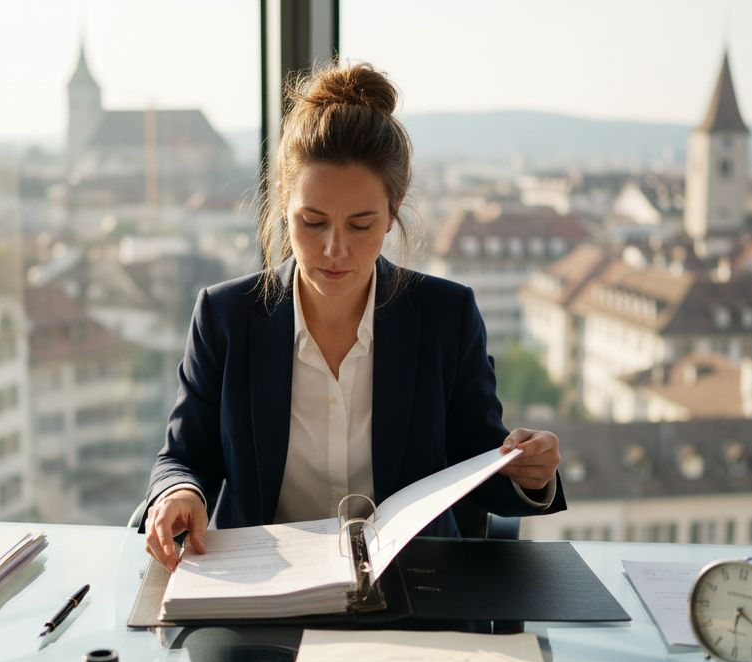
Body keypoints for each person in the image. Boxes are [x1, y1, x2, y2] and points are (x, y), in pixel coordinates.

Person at [141, 62, 565, 572]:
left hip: (412, 585)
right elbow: (183, 457)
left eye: (361, 224)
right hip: (265, 587)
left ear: (393, 213)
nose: (333, 249)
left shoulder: (445, 316)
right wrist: (179, 492)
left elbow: (478, 461)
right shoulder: (226, 317)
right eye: (312, 221)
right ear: (281, 203)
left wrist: (528, 472)